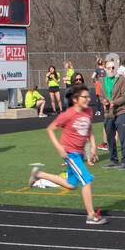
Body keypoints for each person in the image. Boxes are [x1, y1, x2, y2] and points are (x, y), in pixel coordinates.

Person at [35, 83, 107, 225]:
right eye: (84, 97)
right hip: (70, 153)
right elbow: (50, 130)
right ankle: (91, 215)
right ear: (75, 99)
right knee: (86, 180)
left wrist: (93, 147)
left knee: (71, 184)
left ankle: (39, 174)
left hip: (79, 153)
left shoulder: (88, 111)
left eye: (88, 96)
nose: (87, 99)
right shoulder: (68, 114)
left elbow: (89, 130)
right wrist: (59, 148)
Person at [100, 58, 125, 169]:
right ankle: (113, 159)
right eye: (109, 67)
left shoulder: (121, 79)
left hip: (120, 111)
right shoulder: (102, 81)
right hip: (108, 113)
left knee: (123, 138)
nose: (111, 69)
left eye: (113, 67)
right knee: (109, 138)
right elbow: (102, 96)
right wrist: (104, 101)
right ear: (104, 68)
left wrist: (114, 102)